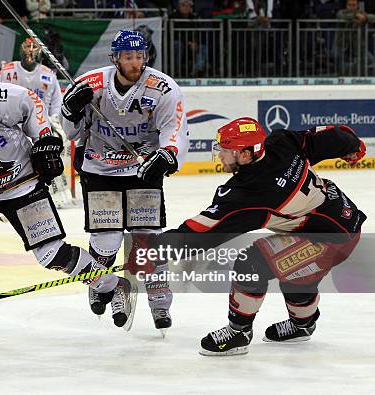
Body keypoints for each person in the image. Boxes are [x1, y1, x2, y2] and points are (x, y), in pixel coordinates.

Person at [0, 53, 136, 348]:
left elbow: (31, 102)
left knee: (52, 256)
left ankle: (114, 285)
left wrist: (44, 138)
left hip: (22, 183)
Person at [157, 117, 366, 355]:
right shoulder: (280, 143)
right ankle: (303, 325)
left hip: (330, 239)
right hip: (340, 216)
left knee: (253, 262)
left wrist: (153, 250)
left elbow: (201, 233)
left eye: (226, 151)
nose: (220, 156)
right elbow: (332, 136)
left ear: (246, 154)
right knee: (295, 272)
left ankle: (239, 332)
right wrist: (354, 146)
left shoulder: (248, 194)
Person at [60, 30, 189, 334]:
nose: (135, 63)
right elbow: (72, 133)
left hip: (142, 170)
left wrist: (167, 156)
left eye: (140, 57)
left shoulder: (163, 87)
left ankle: (159, 297)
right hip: (99, 170)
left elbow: (175, 128)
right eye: (128, 57)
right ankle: (107, 285)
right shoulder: (90, 84)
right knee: (106, 241)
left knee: (147, 238)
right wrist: (71, 111)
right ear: (115, 58)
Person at [0, 38, 71, 207]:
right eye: (27, 46)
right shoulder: (7, 71)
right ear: (20, 49)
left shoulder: (48, 74)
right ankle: (7, 195)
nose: (30, 50)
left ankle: (57, 192)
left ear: (40, 51)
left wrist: (53, 127)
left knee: (50, 153)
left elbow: (56, 106)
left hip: (40, 125)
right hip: (12, 126)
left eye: (34, 46)